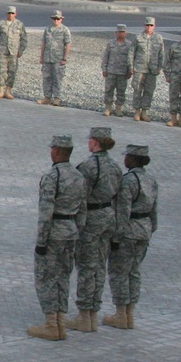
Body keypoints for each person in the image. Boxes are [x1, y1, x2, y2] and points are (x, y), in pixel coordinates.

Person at [27, 134, 87, 342]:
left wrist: (41, 241)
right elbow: (83, 210)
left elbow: (46, 213)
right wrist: (76, 231)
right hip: (70, 232)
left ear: (56, 151)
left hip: (54, 233)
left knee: (46, 278)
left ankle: (51, 324)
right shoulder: (79, 177)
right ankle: (61, 322)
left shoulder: (53, 177)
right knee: (63, 277)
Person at [64, 127, 122, 333]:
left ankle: (83, 316)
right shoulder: (115, 166)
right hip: (108, 217)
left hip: (91, 219)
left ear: (95, 142)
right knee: (99, 266)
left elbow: (79, 196)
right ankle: (93, 314)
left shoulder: (88, 166)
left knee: (86, 267)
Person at [102, 144, 159, 330]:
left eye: (127, 156)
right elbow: (154, 210)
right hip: (144, 229)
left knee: (119, 272)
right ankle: (130, 314)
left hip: (128, 231)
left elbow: (123, 211)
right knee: (134, 272)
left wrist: (116, 237)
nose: (124, 159)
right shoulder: (150, 180)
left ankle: (120, 314)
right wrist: (151, 229)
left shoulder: (128, 181)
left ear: (133, 159)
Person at [131, 17, 164, 121]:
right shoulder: (138, 38)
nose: (149, 27)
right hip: (139, 68)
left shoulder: (158, 38)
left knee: (149, 91)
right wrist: (131, 66)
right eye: (147, 25)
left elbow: (161, 54)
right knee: (137, 90)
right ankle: (137, 111)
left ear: (154, 26)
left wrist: (159, 67)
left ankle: (144, 112)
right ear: (144, 25)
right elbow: (131, 53)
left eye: (151, 25)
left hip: (152, 70)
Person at [0, 5, 27, 98]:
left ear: (15, 14)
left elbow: (24, 38)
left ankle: (8, 91)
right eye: (9, 13)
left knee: (12, 71)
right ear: (6, 14)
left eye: (12, 13)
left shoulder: (20, 24)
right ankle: (1, 90)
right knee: (1, 70)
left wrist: (21, 50)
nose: (11, 15)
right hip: (2, 50)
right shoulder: (1, 24)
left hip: (14, 51)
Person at [38, 10, 71, 106]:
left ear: (61, 19)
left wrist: (64, 58)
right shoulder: (47, 29)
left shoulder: (65, 30)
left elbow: (68, 44)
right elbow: (44, 43)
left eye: (58, 19)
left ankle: (57, 98)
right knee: (46, 78)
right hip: (48, 58)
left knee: (57, 78)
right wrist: (41, 56)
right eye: (54, 19)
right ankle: (47, 97)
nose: (56, 20)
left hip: (58, 59)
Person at [101, 24, 133, 117]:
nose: (121, 34)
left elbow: (130, 59)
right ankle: (108, 107)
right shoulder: (111, 43)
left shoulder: (129, 45)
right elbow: (106, 56)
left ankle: (118, 108)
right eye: (119, 32)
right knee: (108, 90)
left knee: (121, 91)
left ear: (126, 33)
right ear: (116, 33)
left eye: (123, 32)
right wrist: (104, 68)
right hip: (111, 71)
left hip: (122, 72)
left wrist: (129, 71)